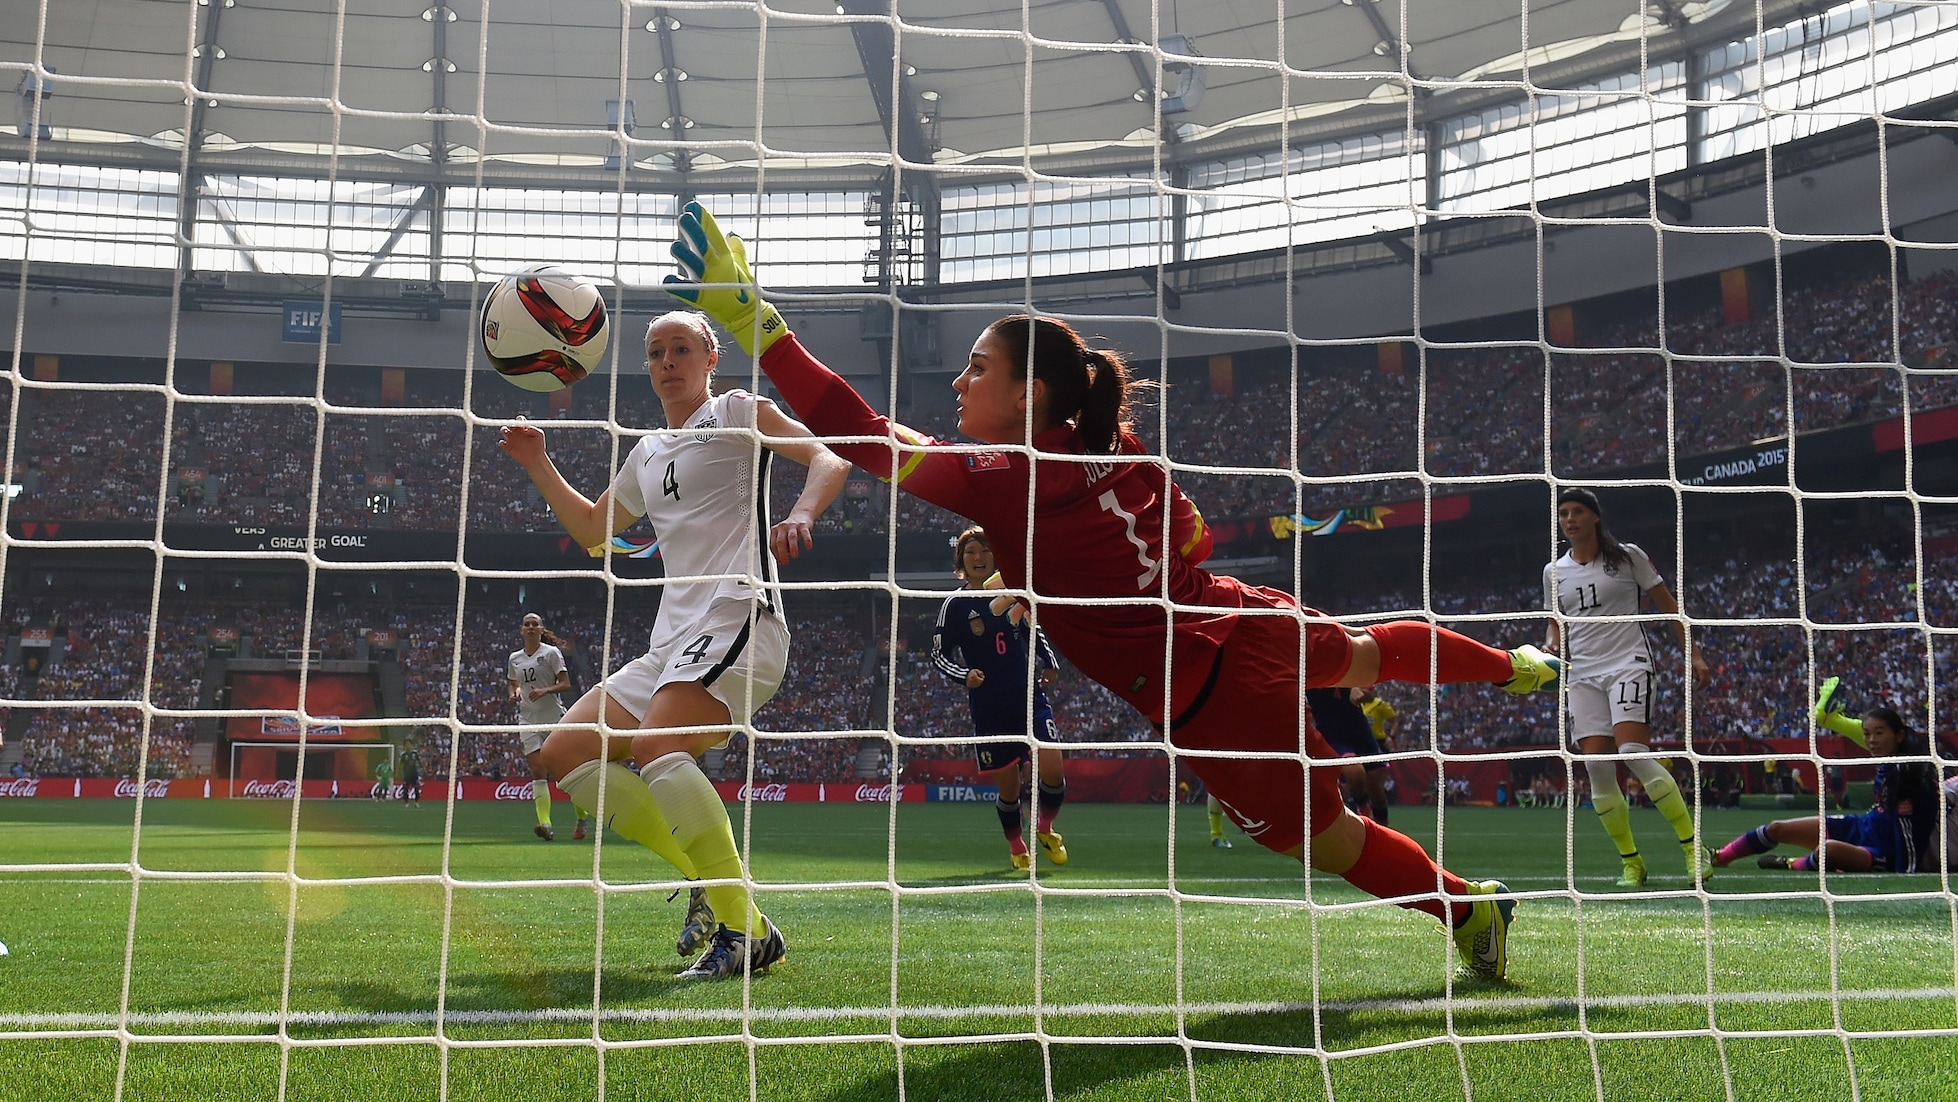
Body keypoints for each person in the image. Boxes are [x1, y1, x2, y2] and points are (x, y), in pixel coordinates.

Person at [665, 202, 1564, 980]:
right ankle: (1514, 666)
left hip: (1211, 702)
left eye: (980, 367)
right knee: (1366, 652)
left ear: (1030, 397)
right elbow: (1192, 533)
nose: (960, 378)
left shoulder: (1003, 478)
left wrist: (767, 332)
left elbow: (863, 436)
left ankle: (1468, 910)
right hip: (1241, 611)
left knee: (1328, 839)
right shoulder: (1116, 444)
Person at [500, 308, 851, 980]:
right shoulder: (647, 452)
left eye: (681, 348)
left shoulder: (737, 411)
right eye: (657, 351)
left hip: (739, 613)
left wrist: (801, 512)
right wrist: (538, 461)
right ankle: (714, 888)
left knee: (656, 746)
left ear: (710, 358)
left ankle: (744, 932)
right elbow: (594, 530)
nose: (668, 361)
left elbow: (826, 456)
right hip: (674, 638)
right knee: (563, 753)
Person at [1542, 487, 1714, 888]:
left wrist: (1694, 654)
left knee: (1633, 753)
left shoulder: (1627, 557)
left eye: (1578, 511)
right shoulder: (1554, 572)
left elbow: (1668, 605)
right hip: (1582, 673)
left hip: (1628, 663)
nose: (1570, 519)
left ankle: (1692, 848)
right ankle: (1631, 862)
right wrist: (1551, 643)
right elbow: (1555, 622)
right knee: (1596, 768)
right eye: (1564, 513)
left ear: (1595, 517)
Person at [930, 526, 1070, 870]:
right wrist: (965, 675)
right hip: (990, 707)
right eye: (971, 553)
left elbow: (1031, 629)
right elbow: (936, 653)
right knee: (1009, 789)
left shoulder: (1012, 593)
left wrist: (1049, 662)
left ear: (995, 556)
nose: (978, 558)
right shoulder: (956, 605)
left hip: (1028, 696)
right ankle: (1016, 845)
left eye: (984, 551)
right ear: (961, 561)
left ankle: (1045, 829)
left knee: (1053, 767)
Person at [1713, 680, 1942, 872]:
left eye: (1879, 733)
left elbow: (1911, 833)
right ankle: (1718, 858)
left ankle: (1792, 864)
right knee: (1776, 828)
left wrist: (1906, 870)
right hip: (1863, 827)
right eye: (1867, 734)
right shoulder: (1892, 756)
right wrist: (1831, 719)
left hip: (1883, 851)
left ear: (1899, 735)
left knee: (1828, 851)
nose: (1871, 740)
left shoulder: (1909, 776)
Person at [508, 613, 587, 842]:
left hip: (553, 717)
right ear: (521, 629)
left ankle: (581, 817)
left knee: (565, 773)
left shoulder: (551, 653)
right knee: (537, 769)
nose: (531, 627)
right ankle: (545, 824)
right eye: (527, 624)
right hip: (528, 719)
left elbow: (566, 684)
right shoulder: (515, 658)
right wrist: (515, 694)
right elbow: (514, 683)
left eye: (535, 624)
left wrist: (545, 690)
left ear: (541, 629)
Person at [1307, 687, 1392, 825]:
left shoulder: (1348, 670)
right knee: (1355, 773)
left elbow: (1370, 696)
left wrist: (1360, 692)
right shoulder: (1310, 675)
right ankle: (1363, 811)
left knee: (1375, 787)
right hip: (1332, 734)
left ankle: (1383, 829)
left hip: (1360, 731)